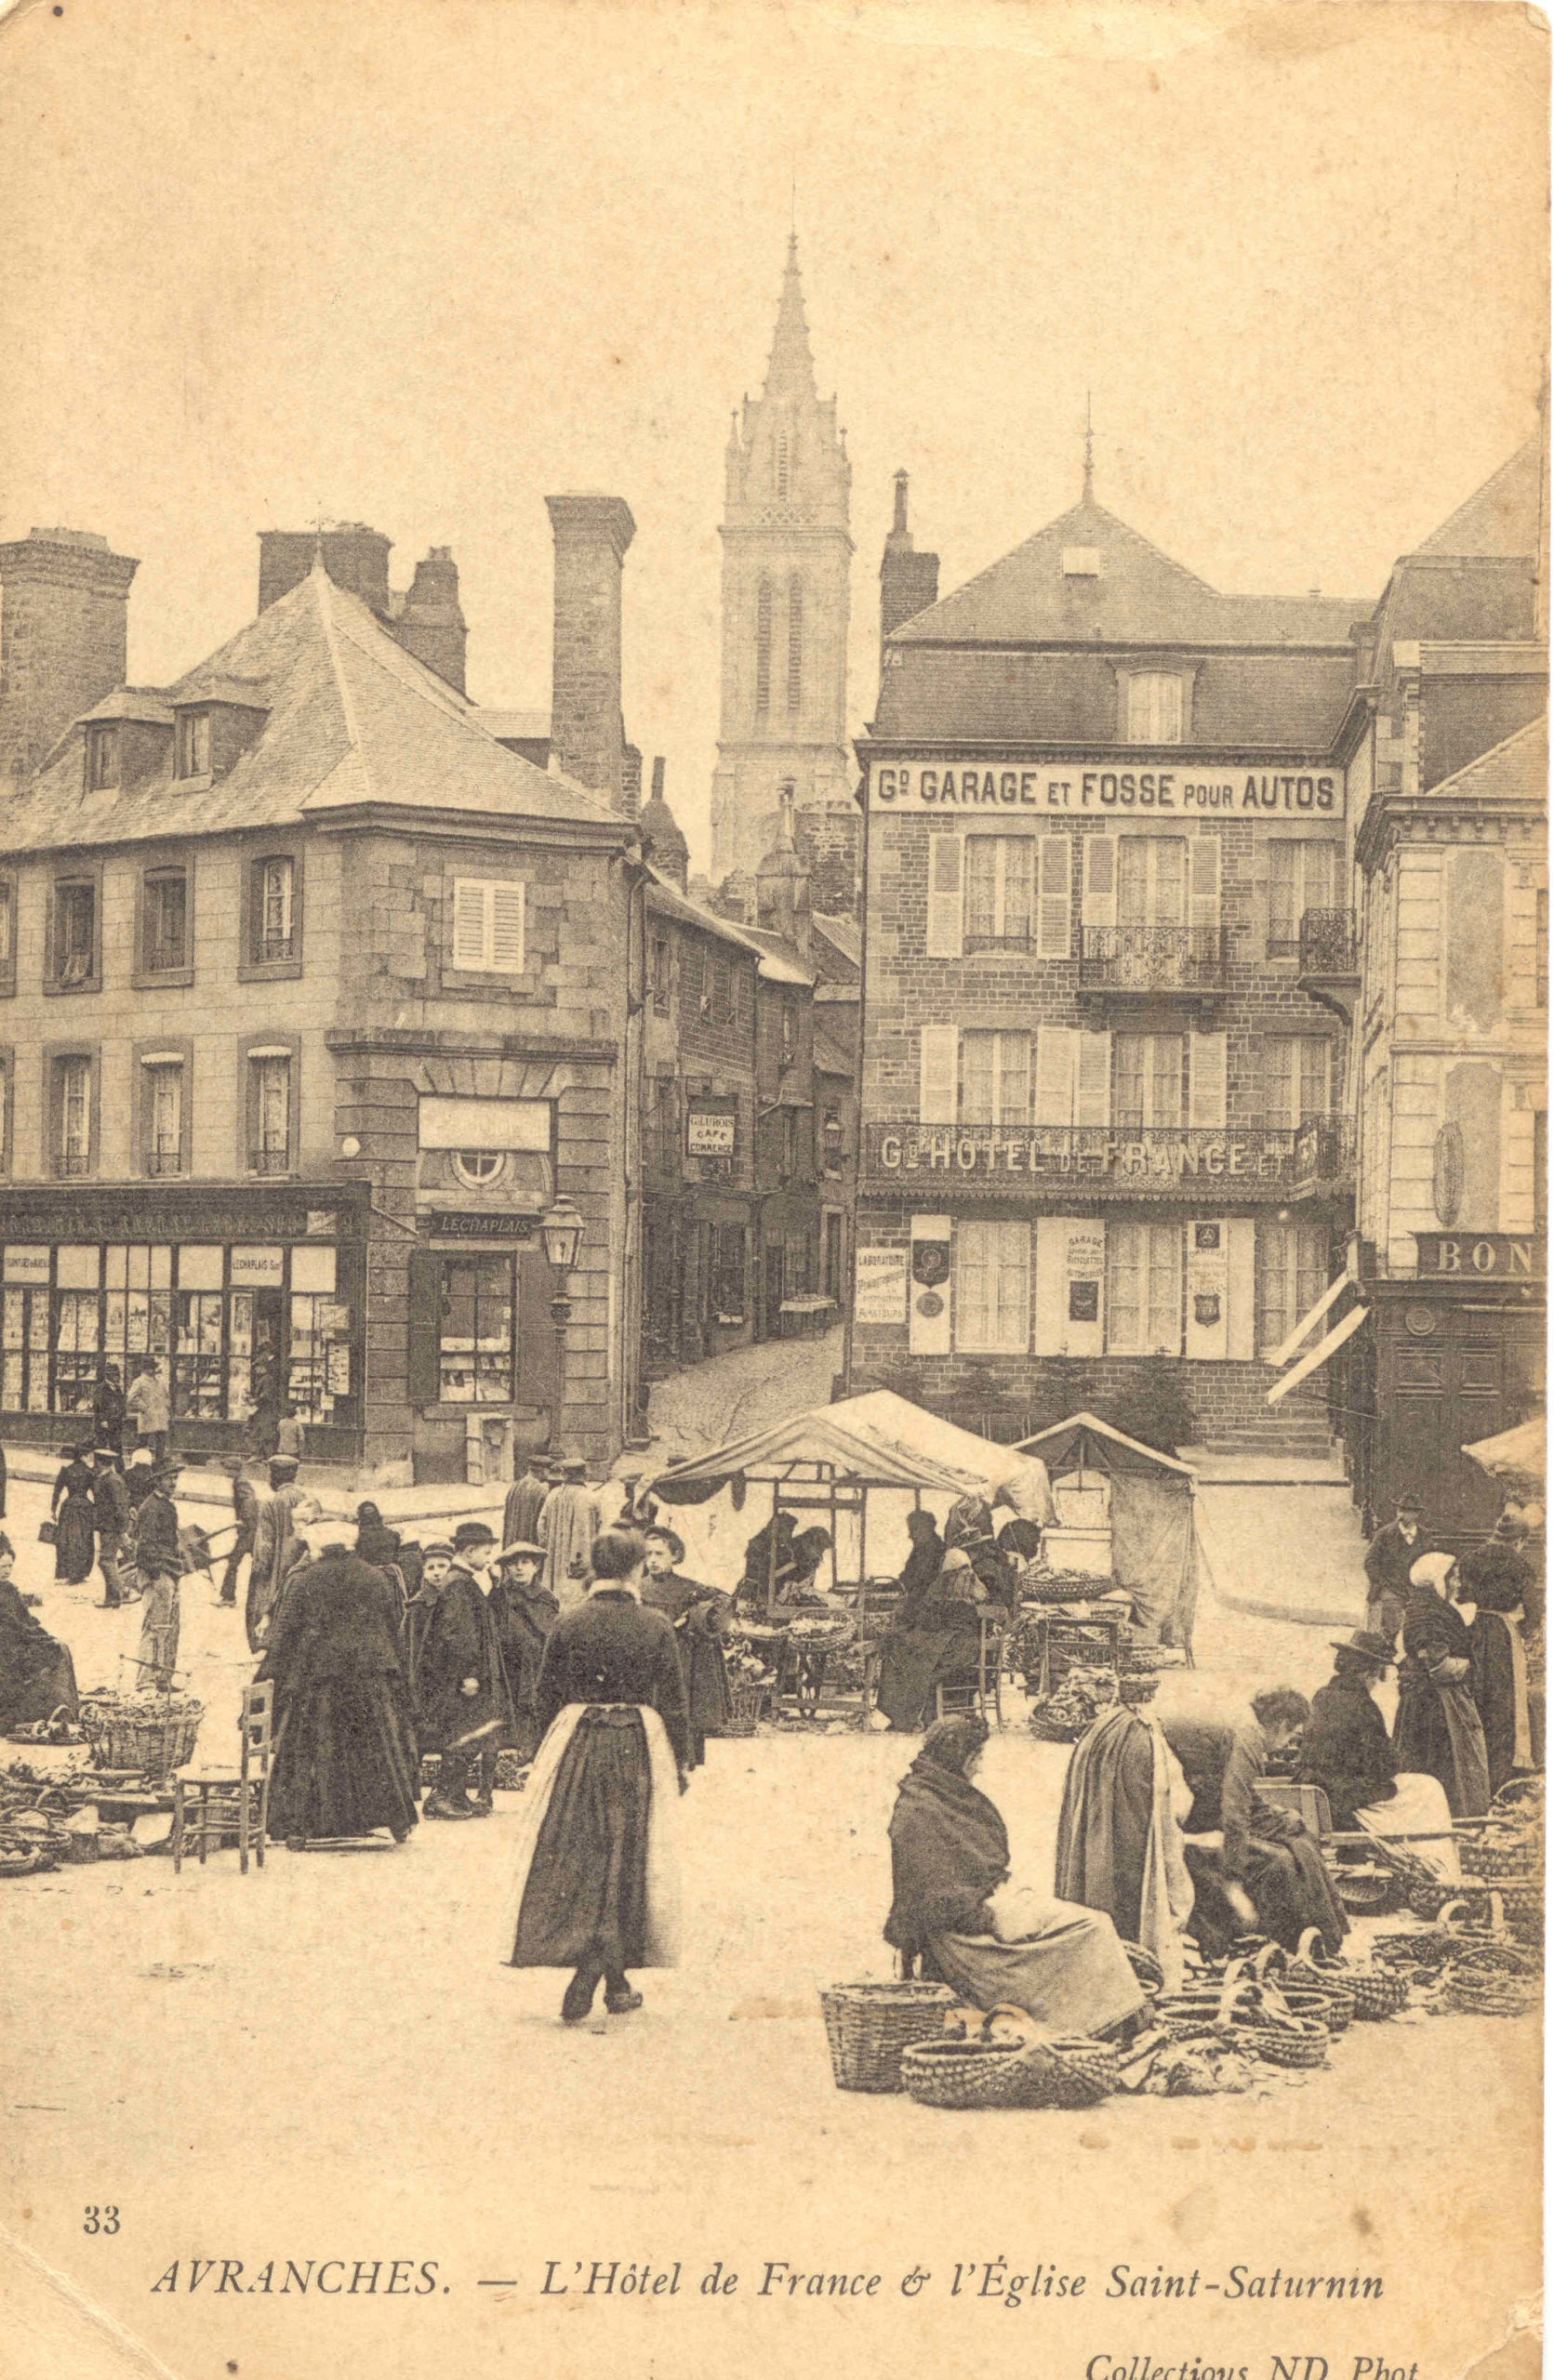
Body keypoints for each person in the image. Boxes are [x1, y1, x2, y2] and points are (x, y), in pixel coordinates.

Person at [502, 1525, 690, 2025]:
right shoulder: (656, 1624)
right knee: (625, 1860)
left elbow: (545, 1695)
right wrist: (685, 1760)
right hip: (635, 1744)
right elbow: (673, 1700)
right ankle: (593, 1973)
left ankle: (615, 1981)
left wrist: (542, 1753)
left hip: (578, 1743)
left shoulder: (569, 1622)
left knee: (585, 1858)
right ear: (635, 1569)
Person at [884, 1714, 1145, 2036]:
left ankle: (1109, 2020)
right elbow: (932, 1898)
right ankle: (1099, 2024)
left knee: (1089, 1924)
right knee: (1093, 1928)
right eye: (977, 1757)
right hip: (964, 1927)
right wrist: (989, 1917)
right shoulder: (919, 1811)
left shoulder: (936, 1792)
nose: (979, 1766)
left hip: (983, 1903)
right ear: (961, 1759)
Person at [257, 1527, 419, 1850]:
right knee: (378, 1747)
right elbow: (394, 1629)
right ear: (350, 1545)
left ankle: (298, 1828)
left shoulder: (305, 1580)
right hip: (371, 1678)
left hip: (321, 1679)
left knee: (311, 1749)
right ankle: (397, 1822)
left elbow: (283, 1637)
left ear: (317, 1548)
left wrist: (264, 1679)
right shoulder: (377, 1577)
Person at [1162, 1692, 1348, 1955]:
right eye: (1291, 1735)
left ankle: (1318, 1935)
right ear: (1280, 1724)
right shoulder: (1248, 1735)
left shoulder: (1243, 1722)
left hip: (1188, 1795)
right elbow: (1234, 1810)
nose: (1285, 1744)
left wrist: (1273, 1814)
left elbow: (1234, 1789)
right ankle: (1284, 1940)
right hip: (1173, 1800)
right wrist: (1233, 1883)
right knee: (1279, 1859)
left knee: (1295, 1835)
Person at [1053, 1701, 1196, 1992]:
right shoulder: (1142, 1736)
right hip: (1135, 1824)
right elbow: (1178, 1809)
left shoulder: (1108, 1727)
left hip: (1118, 1821)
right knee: (1136, 1873)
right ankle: (1132, 1961)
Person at [1297, 1631, 1460, 1883]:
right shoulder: (1362, 1706)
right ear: (1367, 1673)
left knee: (1419, 1786)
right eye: (1378, 1674)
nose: (1377, 1681)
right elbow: (1384, 1767)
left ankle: (1416, 1862)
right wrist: (1397, 1756)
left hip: (1321, 1790)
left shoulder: (1322, 1696)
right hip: (1347, 1798)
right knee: (1429, 1789)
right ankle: (1437, 1869)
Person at [414, 1521, 508, 1819]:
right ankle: (441, 1796)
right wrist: (468, 1674)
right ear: (468, 1550)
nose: (489, 1558)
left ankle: (454, 1794)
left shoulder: (462, 1582)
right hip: (462, 1678)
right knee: (465, 1732)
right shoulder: (459, 1585)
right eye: (485, 1551)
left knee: (468, 1731)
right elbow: (457, 1635)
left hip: (464, 1675)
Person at [1393, 1552, 1492, 1818]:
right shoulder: (1427, 1615)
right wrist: (1474, 1666)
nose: (1458, 1584)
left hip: (1431, 1702)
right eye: (1454, 1578)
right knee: (1441, 1767)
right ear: (1438, 1580)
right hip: (1436, 1707)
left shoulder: (1429, 1609)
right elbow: (1439, 1668)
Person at [1458, 1511, 1540, 1790]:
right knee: (1505, 1703)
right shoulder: (1519, 1564)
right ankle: (1501, 1775)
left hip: (1473, 1627)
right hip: (1503, 1635)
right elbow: (1534, 1609)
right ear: (1518, 1540)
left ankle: (1475, 1774)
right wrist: (1526, 1630)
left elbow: (1460, 1596)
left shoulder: (1471, 1558)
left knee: (1476, 1698)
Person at [640, 1524, 733, 1767]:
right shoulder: (637, 1589)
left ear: (675, 1555)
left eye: (659, 1554)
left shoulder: (690, 1588)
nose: (652, 1560)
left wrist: (695, 1616)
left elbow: (723, 1604)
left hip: (683, 1663)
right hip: (648, 1660)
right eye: (648, 1554)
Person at [875, 1548, 989, 1733]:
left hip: (956, 1650)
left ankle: (905, 1717)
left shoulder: (950, 1583)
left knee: (909, 1656)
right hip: (964, 1648)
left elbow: (931, 1619)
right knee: (911, 1652)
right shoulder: (973, 1584)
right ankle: (908, 1716)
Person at [486, 1540, 560, 1764]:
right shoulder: (499, 1596)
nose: (519, 1568)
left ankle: (531, 1751)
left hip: (534, 1663)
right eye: (513, 1564)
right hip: (505, 1661)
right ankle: (505, 1751)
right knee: (504, 1703)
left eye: (525, 1563)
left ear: (536, 1566)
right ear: (507, 1568)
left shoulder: (546, 1598)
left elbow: (548, 1632)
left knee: (531, 1704)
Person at [0, 1534, 79, 1731]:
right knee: (58, 1650)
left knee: (59, 1647)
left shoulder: (8, 1589)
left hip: (14, 1645)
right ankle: (66, 1713)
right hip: (7, 1654)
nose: (7, 1571)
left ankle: (65, 1710)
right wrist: (42, 1639)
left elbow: (26, 1622)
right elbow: (17, 1627)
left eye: (10, 1566)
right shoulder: (5, 1593)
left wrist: (40, 1636)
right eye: (3, 1567)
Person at [245, 1456, 319, 1652]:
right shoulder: (309, 1499)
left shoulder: (270, 1503)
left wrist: (260, 1570)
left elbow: (265, 1544)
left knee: (273, 1603)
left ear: (275, 1475)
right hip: (305, 1563)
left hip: (279, 1565)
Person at [134, 1466, 185, 1691]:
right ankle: (146, 1681)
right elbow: (144, 1547)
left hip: (169, 1572)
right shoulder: (152, 1507)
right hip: (159, 1574)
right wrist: (157, 1576)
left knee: (171, 1628)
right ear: (158, 1481)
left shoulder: (165, 1504)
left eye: (175, 1478)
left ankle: (164, 1679)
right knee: (155, 1627)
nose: (173, 1482)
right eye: (168, 1478)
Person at [1363, 1495, 1428, 1646]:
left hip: (1416, 1589)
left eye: (1408, 1511)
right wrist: (1381, 1582)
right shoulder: (1385, 1534)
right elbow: (1370, 1561)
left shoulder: (1424, 1535)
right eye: (1400, 1510)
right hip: (1391, 1587)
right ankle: (1392, 1647)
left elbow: (1430, 1560)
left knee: (1423, 1621)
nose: (1402, 1514)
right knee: (1392, 1617)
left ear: (1416, 1514)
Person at [538, 1456, 602, 1606]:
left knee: (553, 1592)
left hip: (554, 1557)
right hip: (581, 1556)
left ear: (564, 1475)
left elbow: (541, 1527)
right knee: (578, 1596)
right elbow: (601, 1528)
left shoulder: (553, 1495)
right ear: (583, 1475)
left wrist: (548, 1546)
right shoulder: (591, 1497)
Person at [89, 1445, 131, 1609]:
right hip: (106, 1527)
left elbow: (120, 1507)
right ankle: (111, 1599)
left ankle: (122, 1591)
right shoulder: (105, 1478)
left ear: (100, 1462)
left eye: (97, 1461)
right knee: (109, 1561)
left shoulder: (113, 1480)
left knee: (105, 1561)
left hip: (112, 1528)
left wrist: (122, 1531)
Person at [49, 1447, 98, 1586]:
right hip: (84, 1507)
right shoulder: (90, 1472)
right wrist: (96, 1510)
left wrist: (53, 1509)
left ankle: (68, 1572)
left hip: (69, 1507)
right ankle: (81, 1572)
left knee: (66, 1539)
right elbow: (96, 1493)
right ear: (83, 1456)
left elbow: (56, 1491)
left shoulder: (66, 1470)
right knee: (84, 1539)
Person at [219, 1458, 259, 1610]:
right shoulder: (239, 1481)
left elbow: (249, 1501)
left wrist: (244, 1519)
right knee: (256, 1562)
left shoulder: (241, 1483)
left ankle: (228, 1597)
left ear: (235, 1470)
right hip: (250, 1530)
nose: (226, 1472)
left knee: (233, 1562)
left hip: (249, 1531)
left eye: (228, 1469)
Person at [896, 1510, 945, 1623]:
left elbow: (919, 1582)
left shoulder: (936, 1551)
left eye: (913, 1531)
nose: (910, 1536)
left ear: (925, 1529)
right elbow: (907, 1576)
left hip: (927, 1612)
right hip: (918, 1606)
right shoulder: (919, 1550)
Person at [124, 1358, 170, 1466]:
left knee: (161, 1444)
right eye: (150, 1368)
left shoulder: (160, 1381)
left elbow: (166, 1396)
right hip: (147, 1417)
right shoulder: (139, 1381)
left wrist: (166, 1407)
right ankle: (136, 1464)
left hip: (161, 1417)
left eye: (153, 1368)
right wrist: (145, 1407)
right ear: (145, 1370)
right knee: (142, 1442)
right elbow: (131, 1398)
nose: (153, 1370)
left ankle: (159, 1465)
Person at [502, 1454, 552, 1554]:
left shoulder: (514, 1486)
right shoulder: (542, 1490)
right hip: (530, 1544)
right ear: (543, 1471)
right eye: (548, 1470)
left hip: (511, 1543)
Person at [92, 1364, 126, 1460]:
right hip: (103, 1424)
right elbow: (97, 1406)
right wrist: (103, 1420)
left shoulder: (118, 1389)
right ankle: (97, 1468)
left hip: (115, 1423)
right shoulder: (101, 1388)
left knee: (117, 1447)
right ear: (108, 1376)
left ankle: (120, 1470)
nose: (117, 1377)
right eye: (115, 1375)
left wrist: (122, 1416)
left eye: (118, 1375)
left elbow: (121, 1404)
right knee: (101, 1447)